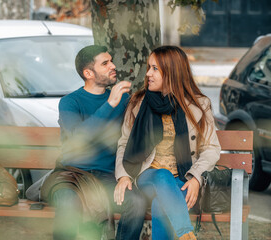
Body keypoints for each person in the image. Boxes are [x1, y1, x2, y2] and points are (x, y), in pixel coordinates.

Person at [114, 46, 221, 240]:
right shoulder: (138, 102)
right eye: (149, 67)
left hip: (183, 178)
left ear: (172, 72)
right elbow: (124, 144)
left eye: (155, 69)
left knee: (160, 204)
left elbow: (211, 149)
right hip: (146, 176)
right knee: (162, 176)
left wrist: (196, 178)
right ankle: (186, 235)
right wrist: (123, 176)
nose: (148, 74)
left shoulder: (199, 105)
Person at [40, 45, 147, 240]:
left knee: (137, 203)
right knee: (68, 205)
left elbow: (137, 133)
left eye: (111, 61)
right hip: (71, 175)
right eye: (105, 63)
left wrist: (125, 176)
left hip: (106, 178)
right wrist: (110, 105)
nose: (113, 66)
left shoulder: (123, 100)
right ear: (88, 73)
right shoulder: (70, 102)